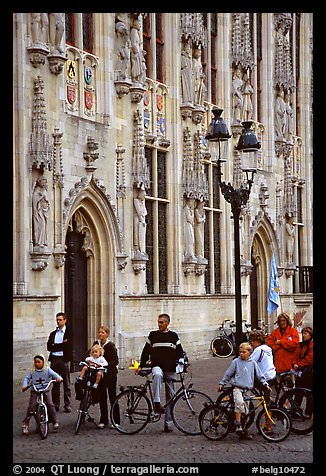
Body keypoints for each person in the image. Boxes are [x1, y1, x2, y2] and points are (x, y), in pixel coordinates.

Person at [136, 313, 184, 433]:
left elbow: (180, 352)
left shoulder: (174, 336)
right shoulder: (153, 335)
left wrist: (183, 364)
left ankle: (168, 423)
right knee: (157, 374)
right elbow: (145, 351)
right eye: (158, 322)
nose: (159, 324)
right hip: (157, 365)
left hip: (170, 368)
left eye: (161, 322)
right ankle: (156, 402)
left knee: (171, 396)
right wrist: (141, 365)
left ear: (167, 323)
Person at [218, 341, 271, 440]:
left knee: (246, 410)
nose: (241, 354)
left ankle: (244, 429)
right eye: (240, 352)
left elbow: (259, 375)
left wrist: (265, 384)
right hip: (237, 387)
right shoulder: (236, 362)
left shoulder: (252, 363)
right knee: (239, 402)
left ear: (250, 353)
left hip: (247, 389)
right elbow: (228, 373)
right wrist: (222, 383)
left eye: (244, 352)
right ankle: (237, 423)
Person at [21, 354, 62, 435]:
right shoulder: (32, 371)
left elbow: (55, 374)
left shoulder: (47, 370)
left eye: (39, 362)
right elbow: (27, 378)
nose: (37, 364)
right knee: (31, 406)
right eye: (35, 362)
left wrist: (58, 378)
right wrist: (24, 385)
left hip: (45, 389)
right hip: (35, 390)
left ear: (43, 362)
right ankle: (26, 423)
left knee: (50, 404)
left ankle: (55, 421)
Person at [93, 326, 119, 429]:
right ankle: (103, 420)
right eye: (99, 332)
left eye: (102, 332)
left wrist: (105, 365)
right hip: (100, 375)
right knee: (102, 397)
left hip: (110, 374)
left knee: (113, 397)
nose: (100, 334)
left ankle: (116, 420)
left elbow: (115, 361)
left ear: (107, 334)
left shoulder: (111, 346)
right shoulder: (96, 344)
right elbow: (90, 353)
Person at [47, 312, 72, 413]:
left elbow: (68, 346)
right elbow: (49, 347)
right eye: (57, 320)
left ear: (65, 320)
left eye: (60, 320)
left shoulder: (69, 332)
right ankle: (55, 404)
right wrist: (61, 344)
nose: (58, 321)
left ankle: (67, 405)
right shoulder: (53, 333)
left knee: (66, 383)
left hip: (64, 359)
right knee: (55, 383)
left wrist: (56, 346)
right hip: (54, 359)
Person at [249, 329, 276, 407]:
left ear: (258, 340)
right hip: (271, 374)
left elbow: (249, 362)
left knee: (247, 383)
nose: (252, 343)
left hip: (265, 376)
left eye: (253, 341)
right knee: (264, 394)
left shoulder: (259, 350)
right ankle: (268, 401)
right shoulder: (267, 348)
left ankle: (269, 408)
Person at [292, 326, 313, 394]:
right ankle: (296, 404)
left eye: (305, 333)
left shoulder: (311, 345)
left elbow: (310, 359)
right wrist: (294, 363)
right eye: (303, 333)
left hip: (310, 371)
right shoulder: (300, 345)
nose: (303, 335)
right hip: (301, 371)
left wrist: (298, 364)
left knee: (309, 393)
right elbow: (295, 355)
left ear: (310, 335)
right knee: (298, 391)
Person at [32, 177, 50, 247]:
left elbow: (47, 200)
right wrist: (41, 196)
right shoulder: (37, 190)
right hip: (38, 212)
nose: (44, 184)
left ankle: (43, 241)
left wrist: (46, 203)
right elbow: (34, 199)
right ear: (39, 182)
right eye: (43, 182)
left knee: (44, 226)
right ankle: (38, 242)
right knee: (41, 225)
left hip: (44, 211)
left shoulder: (44, 190)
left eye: (45, 182)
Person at [133, 187, 147, 255]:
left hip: (142, 220)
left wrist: (142, 218)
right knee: (136, 233)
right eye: (144, 195)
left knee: (142, 234)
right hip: (138, 219)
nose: (144, 197)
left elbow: (145, 212)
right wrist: (141, 219)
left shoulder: (142, 202)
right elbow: (139, 211)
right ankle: (137, 248)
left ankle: (142, 249)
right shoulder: (136, 200)